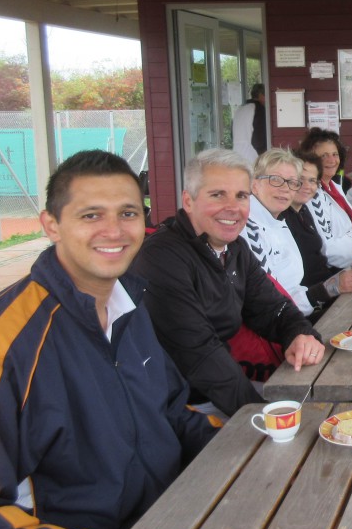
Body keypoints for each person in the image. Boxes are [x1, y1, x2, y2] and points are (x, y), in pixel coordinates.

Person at [0, 150, 216, 529]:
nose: (114, 230)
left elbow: (174, 413)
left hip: (173, 524)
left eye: (128, 213)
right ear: (51, 225)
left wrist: (247, 447)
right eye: (91, 215)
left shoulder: (129, 305)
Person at [131, 148, 325, 418]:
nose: (233, 207)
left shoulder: (234, 248)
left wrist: (300, 335)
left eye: (241, 196)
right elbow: (200, 355)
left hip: (223, 387)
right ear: (188, 201)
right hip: (181, 407)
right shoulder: (162, 257)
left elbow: (273, 309)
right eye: (217, 195)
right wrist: (259, 414)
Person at [281, 153, 352, 315]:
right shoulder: (281, 219)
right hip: (310, 301)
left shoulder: (303, 211)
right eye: (300, 179)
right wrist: (333, 285)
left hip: (326, 288)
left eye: (312, 180)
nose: (307, 186)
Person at [241, 149, 318, 316]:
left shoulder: (277, 221)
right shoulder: (246, 227)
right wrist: (323, 292)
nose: (285, 189)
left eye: (292, 182)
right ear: (254, 185)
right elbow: (268, 301)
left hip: (295, 314)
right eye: (275, 180)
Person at [298, 128, 352, 268]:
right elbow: (327, 249)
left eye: (335, 154)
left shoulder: (334, 186)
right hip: (338, 269)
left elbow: (351, 231)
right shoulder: (312, 194)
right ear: (311, 160)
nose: (332, 160)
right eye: (324, 156)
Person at [232, 83, 266, 163]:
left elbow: (232, 134)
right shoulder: (259, 109)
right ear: (261, 95)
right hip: (252, 155)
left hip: (237, 154)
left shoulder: (240, 109)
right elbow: (259, 139)